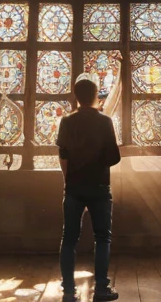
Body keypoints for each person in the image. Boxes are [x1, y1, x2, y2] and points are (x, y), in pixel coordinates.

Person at [56, 79, 121, 302]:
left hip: (73, 187)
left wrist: (68, 180)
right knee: (102, 237)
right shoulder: (105, 121)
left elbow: (62, 155)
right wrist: (97, 161)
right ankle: (101, 288)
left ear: (76, 96)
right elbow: (114, 156)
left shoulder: (66, 121)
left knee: (69, 238)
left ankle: (67, 291)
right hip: (99, 186)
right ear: (95, 95)